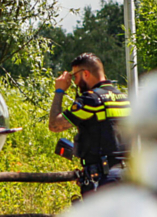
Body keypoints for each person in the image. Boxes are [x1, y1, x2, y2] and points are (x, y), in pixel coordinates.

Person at [47, 52, 131, 193]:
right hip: (127, 175)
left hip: (103, 179)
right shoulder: (123, 98)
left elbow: (55, 125)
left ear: (85, 74)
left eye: (75, 76)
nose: (74, 82)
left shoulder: (91, 100)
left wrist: (59, 90)